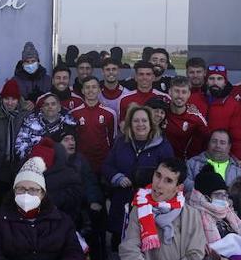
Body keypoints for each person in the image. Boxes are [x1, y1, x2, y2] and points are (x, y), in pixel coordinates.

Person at [103, 104, 175, 247]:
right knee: (118, 242)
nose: (140, 124)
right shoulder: (121, 142)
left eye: (144, 121)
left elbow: (170, 174)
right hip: (122, 201)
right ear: (130, 123)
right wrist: (117, 177)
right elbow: (107, 165)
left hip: (149, 204)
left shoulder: (163, 146)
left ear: (151, 123)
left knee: (144, 243)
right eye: (136, 121)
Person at [198, 64, 241, 161]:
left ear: (225, 82)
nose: (215, 82)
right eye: (211, 78)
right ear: (206, 81)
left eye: (219, 79)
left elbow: (237, 138)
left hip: (220, 157)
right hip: (196, 157)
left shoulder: (234, 105)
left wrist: (238, 159)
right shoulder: (196, 99)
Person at [69, 76, 116, 175]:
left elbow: (113, 139)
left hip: (103, 163)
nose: (91, 90)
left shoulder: (110, 113)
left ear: (99, 90)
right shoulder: (74, 113)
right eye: (87, 87)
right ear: (82, 90)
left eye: (94, 87)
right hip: (81, 163)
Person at [15, 92, 77, 158]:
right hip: (37, 163)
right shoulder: (30, 123)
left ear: (59, 108)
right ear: (42, 108)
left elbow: (73, 148)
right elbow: (19, 148)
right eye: (47, 104)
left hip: (63, 163)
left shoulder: (69, 124)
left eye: (53, 104)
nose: (50, 107)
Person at [162, 76, 209, 162]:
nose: (180, 96)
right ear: (169, 92)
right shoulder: (161, 112)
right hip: (162, 162)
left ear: (189, 94)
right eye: (176, 91)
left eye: (184, 92)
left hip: (186, 164)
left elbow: (207, 142)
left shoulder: (196, 118)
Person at [185, 129, 241, 197]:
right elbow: (185, 185)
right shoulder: (192, 163)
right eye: (214, 141)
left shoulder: (238, 170)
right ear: (208, 143)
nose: (217, 145)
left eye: (222, 143)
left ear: (229, 146)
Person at [5, 41, 52, 106]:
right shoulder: (15, 81)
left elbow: (52, 99)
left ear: (38, 62)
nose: (30, 64)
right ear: (23, 63)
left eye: (33, 61)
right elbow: (11, 102)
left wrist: (38, 101)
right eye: (27, 61)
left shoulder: (47, 80)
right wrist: (23, 103)